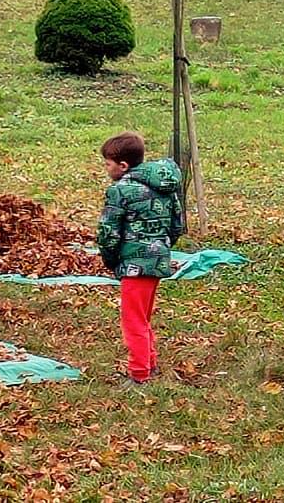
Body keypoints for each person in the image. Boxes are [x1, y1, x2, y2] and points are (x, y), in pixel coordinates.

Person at [97, 131, 185, 386]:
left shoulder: (119, 191)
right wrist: (161, 249)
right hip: (158, 260)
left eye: (108, 164)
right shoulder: (166, 187)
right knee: (143, 317)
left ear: (122, 166)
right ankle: (150, 363)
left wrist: (111, 259)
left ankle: (139, 375)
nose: (106, 169)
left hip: (134, 266)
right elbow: (177, 225)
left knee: (132, 320)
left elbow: (108, 233)